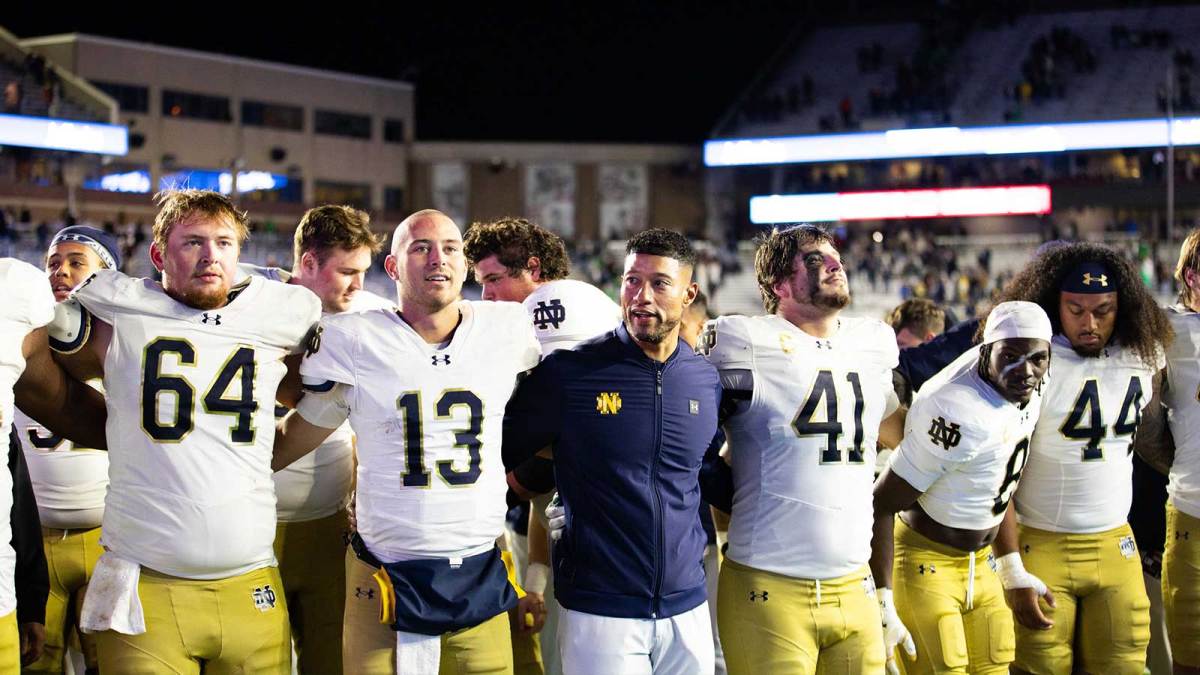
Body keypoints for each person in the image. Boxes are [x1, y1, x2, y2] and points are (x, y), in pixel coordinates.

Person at [51, 189, 322, 674]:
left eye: (224, 243)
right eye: (193, 242)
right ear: (158, 255)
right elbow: (54, 374)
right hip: (144, 586)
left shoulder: (279, 312)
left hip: (251, 581)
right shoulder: (119, 312)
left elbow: (318, 384)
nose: (210, 256)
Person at [273, 209, 541, 674]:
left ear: (464, 263)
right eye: (421, 248)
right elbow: (298, 431)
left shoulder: (508, 327)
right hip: (382, 573)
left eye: (451, 248)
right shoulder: (354, 340)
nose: (439, 259)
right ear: (393, 267)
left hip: (478, 567)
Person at [503, 229, 720, 675]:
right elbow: (495, 458)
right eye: (631, 281)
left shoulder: (704, 379)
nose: (641, 297)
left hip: (687, 605)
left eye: (660, 283)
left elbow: (703, 476)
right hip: (599, 609)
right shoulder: (570, 373)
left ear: (689, 293)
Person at [699, 225, 905, 675]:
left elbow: (899, 436)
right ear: (779, 283)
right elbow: (696, 444)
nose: (835, 264)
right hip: (769, 584)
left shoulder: (871, 343)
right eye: (814, 259)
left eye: (835, 257)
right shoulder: (744, 340)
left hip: (855, 583)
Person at [987, 244, 1169, 675]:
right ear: (1053, 304)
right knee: (1040, 668)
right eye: (1075, 309)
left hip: (1116, 545)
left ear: (1122, 306)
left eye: (1103, 310)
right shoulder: (1031, 360)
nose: (1089, 323)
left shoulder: (1142, 354)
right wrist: (1010, 567)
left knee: (1125, 667)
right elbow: (997, 476)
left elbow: (1154, 438)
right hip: (1042, 545)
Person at [464, 215, 621, 675]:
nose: (487, 295)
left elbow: (565, 423)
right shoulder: (589, 301)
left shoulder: (551, 305)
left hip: (585, 528)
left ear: (533, 268)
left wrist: (511, 480)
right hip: (564, 516)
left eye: (494, 279)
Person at [241, 205, 388, 674]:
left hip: (331, 525)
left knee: (330, 660)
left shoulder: (367, 318)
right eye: (346, 271)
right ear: (306, 264)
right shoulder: (249, 305)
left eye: (363, 271)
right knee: (259, 661)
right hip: (251, 524)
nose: (358, 285)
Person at [872, 301, 1053, 675]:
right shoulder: (955, 409)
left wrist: (1011, 567)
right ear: (986, 352)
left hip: (982, 562)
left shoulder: (1032, 380)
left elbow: (997, 480)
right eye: (1012, 357)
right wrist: (882, 600)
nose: (1027, 371)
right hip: (926, 562)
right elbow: (881, 503)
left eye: (1038, 359)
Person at [16, 226, 120, 674]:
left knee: (111, 664)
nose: (61, 271)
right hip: (33, 546)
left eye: (78, 262)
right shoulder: (21, 340)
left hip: (106, 540)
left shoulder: (126, 347)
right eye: (54, 262)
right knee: (36, 663)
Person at [1145, 227, 1200, 674]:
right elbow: (1146, 430)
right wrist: (1180, 464)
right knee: (1188, 657)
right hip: (1191, 511)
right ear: (1189, 274)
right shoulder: (1167, 329)